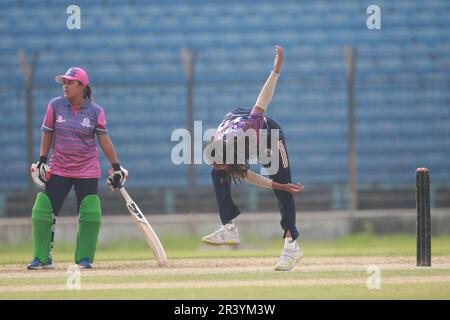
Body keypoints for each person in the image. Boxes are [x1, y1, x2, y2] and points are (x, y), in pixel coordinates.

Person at [202, 46, 304, 271]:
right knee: (216, 174)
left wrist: (276, 70)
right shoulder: (220, 149)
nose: (221, 167)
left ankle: (291, 246)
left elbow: (262, 101)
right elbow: (243, 174)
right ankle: (229, 227)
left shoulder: (249, 130)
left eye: (222, 163)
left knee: (284, 191)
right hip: (236, 129)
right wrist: (273, 183)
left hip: (269, 137)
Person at [27, 67, 127, 269]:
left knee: (90, 212)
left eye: (70, 83)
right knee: (43, 210)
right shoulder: (55, 105)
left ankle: (84, 259)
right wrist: (42, 161)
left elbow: (104, 140)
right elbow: (47, 133)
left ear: (83, 86)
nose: (66, 86)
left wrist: (116, 167)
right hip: (59, 168)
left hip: (87, 169)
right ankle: (42, 258)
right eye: (64, 82)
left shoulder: (95, 111)